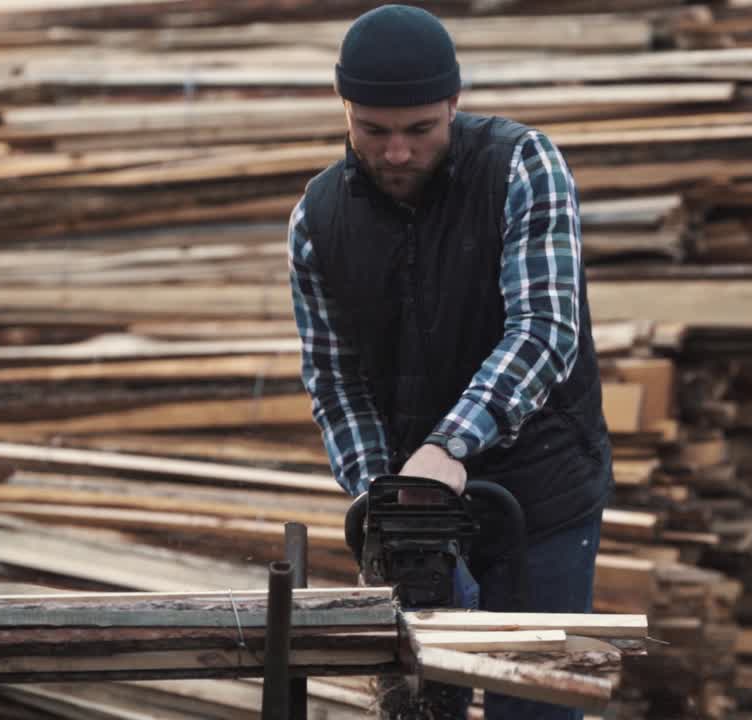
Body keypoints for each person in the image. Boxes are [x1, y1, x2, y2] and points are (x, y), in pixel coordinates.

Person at [286, 5, 613, 719]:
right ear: (345, 109)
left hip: (541, 497)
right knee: (419, 706)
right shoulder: (317, 219)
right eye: (373, 130)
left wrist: (450, 445)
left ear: (454, 105)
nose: (396, 152)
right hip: (420, 519)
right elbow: (336, 383)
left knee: (533, 705)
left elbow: (545, 330)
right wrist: (385, 497)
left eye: (418, 130)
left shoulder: (522, 167)